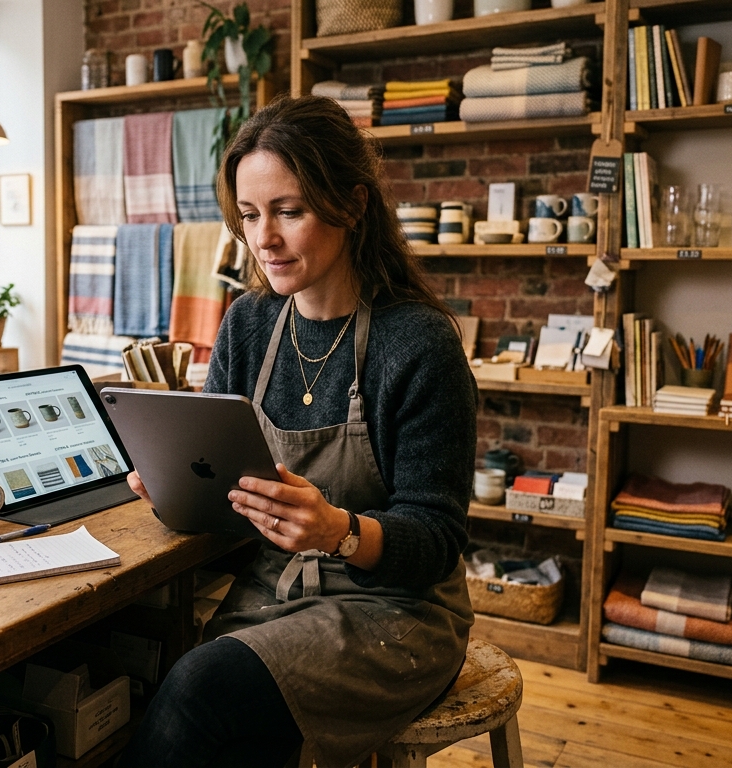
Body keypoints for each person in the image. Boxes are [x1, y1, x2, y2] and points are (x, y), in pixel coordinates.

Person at [116, 95, 477, 768]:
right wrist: (175, 488)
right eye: (250, 216)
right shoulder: (248, 325)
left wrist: (337, 529)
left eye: (289, 211)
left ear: (354, 204)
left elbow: (436, 543)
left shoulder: (419, 343)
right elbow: (230, 513)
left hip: (396, 614)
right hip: (271, 593)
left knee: (201, 691)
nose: (264, 240)